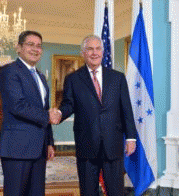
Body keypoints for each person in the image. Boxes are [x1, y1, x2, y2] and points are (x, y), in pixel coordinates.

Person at [56, 35, 137, 196]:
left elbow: (126, 109)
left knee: (115, 191)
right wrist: (59, 113)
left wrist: (131, 138)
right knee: (88, 191)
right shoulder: (73, 79)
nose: (94, 53)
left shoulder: (117, 78)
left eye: (98, 48)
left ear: (103, 52)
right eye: (90, 49)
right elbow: (68, 104)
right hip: (86, 144)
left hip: (112, 144)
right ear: (83, 53)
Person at [0, 30, 60, 196]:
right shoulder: (10, 71)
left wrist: (49, 142)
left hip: (39, 148)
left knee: (36, 193)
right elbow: (17, 105)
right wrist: (48, 116)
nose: (35, 49)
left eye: (39, 46)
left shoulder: (40, 76)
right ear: (18, 48)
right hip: (17, 147)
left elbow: (44, 109)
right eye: (30, 44)